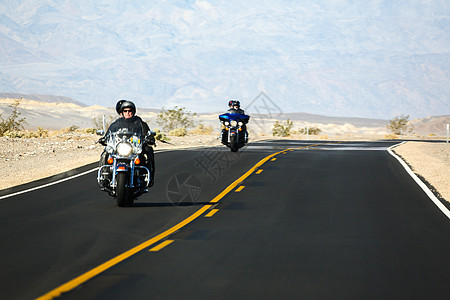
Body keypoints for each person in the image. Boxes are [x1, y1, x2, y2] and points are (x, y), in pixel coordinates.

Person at [98, 100, 155, 187]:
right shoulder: (116, 123)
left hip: (134, 147)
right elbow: (110, 133)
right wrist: (104, 138)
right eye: (125, 111)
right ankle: (105, 176)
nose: (128, 113)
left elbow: (146, 132)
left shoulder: (139, 122)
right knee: (106, 152)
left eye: (130, 111)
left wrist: (149, 138)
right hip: (120, 147)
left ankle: (149, 177)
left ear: (133, 112)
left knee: (148, 150)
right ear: (122, 112)